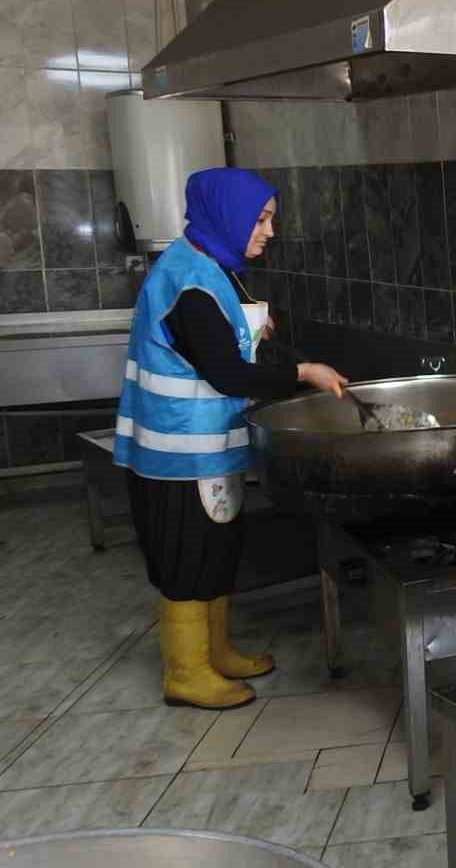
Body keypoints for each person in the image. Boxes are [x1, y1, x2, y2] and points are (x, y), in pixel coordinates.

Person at [114, 167, 349, 711]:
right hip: (178, 454)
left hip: (206, 447)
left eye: (270, 219)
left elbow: (213, 338)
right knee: (186, 558)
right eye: (260, 220)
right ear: (227, 216)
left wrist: (250, 329)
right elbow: (224, 373)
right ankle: (186, 670)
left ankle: (215, 652)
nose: (269, 231)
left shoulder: (209, 264)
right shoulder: (189, 282)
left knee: (213, 551)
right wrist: (303, 373)